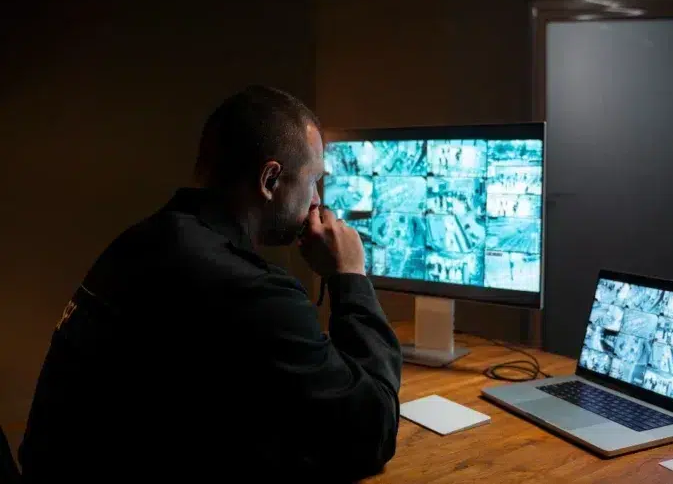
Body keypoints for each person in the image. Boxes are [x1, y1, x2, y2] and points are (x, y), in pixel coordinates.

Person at [18, 85, 403, 482]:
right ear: (270, 179)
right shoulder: (245, 289)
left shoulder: (143, 242)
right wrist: (350, 276)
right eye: (313, 181)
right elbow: (371, 434)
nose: (317, 201)